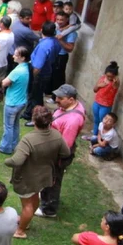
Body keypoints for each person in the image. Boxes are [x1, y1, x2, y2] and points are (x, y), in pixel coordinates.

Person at [4, 106, 70, 239]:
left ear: (34, 121)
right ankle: (25, 221)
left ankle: (21, 230)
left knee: (27, 204)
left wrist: (7, 161)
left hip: (28, 178)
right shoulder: (56, 135)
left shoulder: (29, 139)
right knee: (34, 199)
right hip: (44, 176)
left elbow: (17, 161)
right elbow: (66, 153)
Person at [37, 84, 86, 218]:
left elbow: (65, 146)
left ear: (71, 99)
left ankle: (49, 210)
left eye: (61, 98)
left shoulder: (73, 120)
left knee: (53, 181)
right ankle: (45, 197)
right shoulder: (71, 106)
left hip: (57, 156)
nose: (57, 100)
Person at [0, 46, 33, 155]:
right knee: (15, 125)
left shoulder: (18, 71)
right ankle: (14, 145)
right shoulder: (26, 68)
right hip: (21, 101)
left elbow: (4, 83)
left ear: (22, 57)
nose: (13, 56)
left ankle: (5, 147)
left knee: (8, 126)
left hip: (13, 102)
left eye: (16, 54)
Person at [22, 21, 61, 125]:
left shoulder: (44, 46)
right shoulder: (55, 41)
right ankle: (28, 113)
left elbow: (37, 67)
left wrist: (34, 77)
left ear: (41, 30)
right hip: (48, 70)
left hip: (40, 74)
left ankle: (36, 119)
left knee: (36, 97)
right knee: (33, 94)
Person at [83, 61, 120, 137]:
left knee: (103, 121)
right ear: (105, 74)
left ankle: (99, 135)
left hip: (106, 106)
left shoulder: (114, 83)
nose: (109, 78)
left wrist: (115, 80)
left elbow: (116, 86)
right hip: (97, 102)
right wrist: (99, 85)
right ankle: (95, 133)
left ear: (115, 76)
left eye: (111, 77)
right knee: (96, 119)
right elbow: (95, 90)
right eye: (107, 76)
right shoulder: (102, 79)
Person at [48, 12, 78, 96]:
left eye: (62, 20)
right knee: (50, 74)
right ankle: (48, 92)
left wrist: (61, 40)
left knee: (58, 77)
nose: (59, 21)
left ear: (67, 20)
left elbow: (70, 48)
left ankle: (57, 97)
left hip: (61, 56)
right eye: (57, 19)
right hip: (53, 54)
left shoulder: (71, 33)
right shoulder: (56, 28)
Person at [9, 8, 39, 76]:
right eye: (27, 18)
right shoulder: (25, 30)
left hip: (13, 51)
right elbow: (37, 39)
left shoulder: (17, 22)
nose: (30, 20)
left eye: (31, 18)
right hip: (19, 56)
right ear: (21, 18)